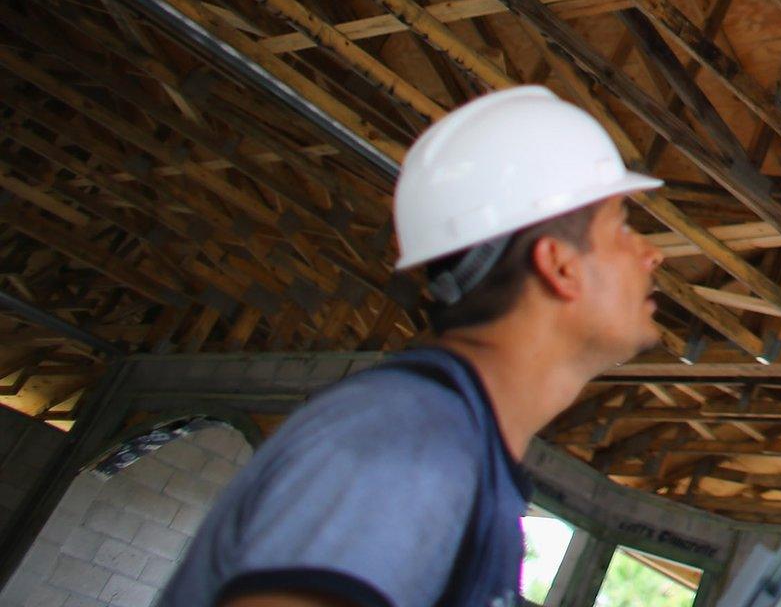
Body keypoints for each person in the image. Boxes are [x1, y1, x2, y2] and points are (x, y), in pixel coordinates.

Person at [159, 86, 667, 607]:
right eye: (622, 227)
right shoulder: (408, 441)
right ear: (560, 266)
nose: (653, 254)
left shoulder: (459, 458)